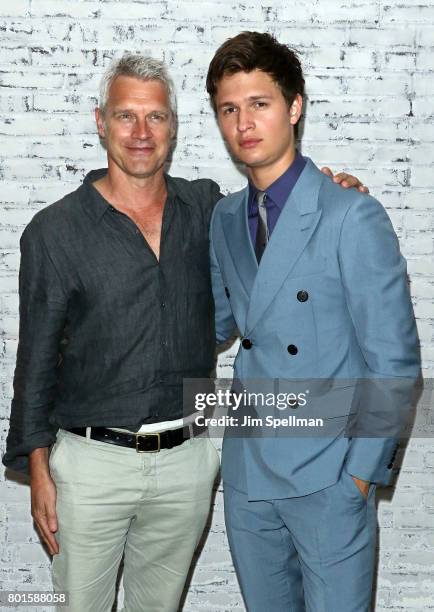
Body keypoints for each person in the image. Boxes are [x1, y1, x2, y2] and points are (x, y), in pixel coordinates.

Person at [2, 52, 366, 611]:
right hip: (91, 464)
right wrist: (38, 470)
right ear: (101, 123)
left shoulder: (208, 212)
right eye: (126, 116)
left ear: (173, 125)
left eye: (156, 117)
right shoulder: (55, 232)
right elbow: (35, 359)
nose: (141, 133)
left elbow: (273, 221)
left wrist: (331, 191)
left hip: (188, 462)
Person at [207, 32, 420, 611]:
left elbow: (395, 362)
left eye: (260, 103)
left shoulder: (351, 214)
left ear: (294, 107)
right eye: (229, 108)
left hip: (328, 476)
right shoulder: (224, 217)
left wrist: (359, 477)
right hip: (250, 474)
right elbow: (216, 323)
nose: (244, 122)